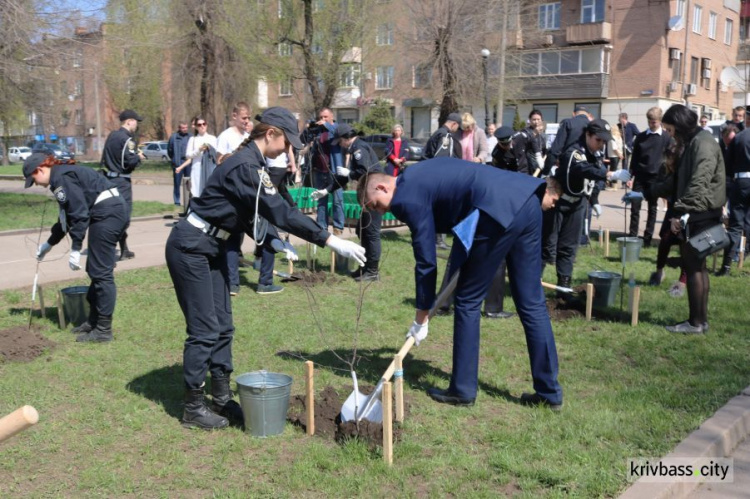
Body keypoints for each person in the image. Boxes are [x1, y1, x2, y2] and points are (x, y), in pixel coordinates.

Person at [165, 107, 366, 430]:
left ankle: (220, 398)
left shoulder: (252, 163)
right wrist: (329, 239)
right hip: (191, 248)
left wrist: (273, 241)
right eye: (286, 143)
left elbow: (256, 211)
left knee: (224, 326)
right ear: (270, 134)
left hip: (212, 246)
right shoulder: (244, 166)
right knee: (204, 329)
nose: (288, 151)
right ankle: (192, 407)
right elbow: (280, 212)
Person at [358, 158, 564, 409]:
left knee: (467, 300)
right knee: (532, 302)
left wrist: (420, 318)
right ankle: (549, 392)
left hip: (494, 209)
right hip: (526, 199)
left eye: (375, 206)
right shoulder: (416, 174)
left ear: (382, 188)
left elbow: (426, 261)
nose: (381, 212)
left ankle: (463, 389)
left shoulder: (405, 198)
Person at [25, 153, 128, 343]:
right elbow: (68, 216)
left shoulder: (60, 179)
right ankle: (94, 321)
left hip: (108, 214)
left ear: (39, 169)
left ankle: (103, 330)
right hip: (108, 211)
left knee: (102, 273)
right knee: (95, 270)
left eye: (34, 180)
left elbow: (79, 214)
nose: (37, 184)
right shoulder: (60, 175)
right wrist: (49, 243)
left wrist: (76, 248)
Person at [650, 104, 726, 334]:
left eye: (670, 129)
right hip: (699, 210)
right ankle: (700, 321)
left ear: (680, 125)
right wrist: (648, 192)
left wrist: (680, 213)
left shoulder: (702, 144)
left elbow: (698, 183)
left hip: (700, 212)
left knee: (693, 266)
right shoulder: (693, 142)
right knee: (698, 267)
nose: (669, 134)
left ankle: (695, 323)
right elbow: (679, 180)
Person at [543, 119, 631, 293]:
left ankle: (563, 287)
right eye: (598, 140)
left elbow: (593, 182)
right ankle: (533, 285)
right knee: (547, 246)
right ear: (588, 135)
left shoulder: (595, 154)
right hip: (558, 204)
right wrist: (610, 174)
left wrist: (595, 200)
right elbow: (584, 170)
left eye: (604, 141)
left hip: (577, 204)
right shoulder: (574, 152)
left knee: (569, 247)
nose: (601, 145)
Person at [314, 123, 384, 281]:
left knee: (371, 234)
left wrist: (351, 173)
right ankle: (364, 267)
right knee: (362, 230)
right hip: (369, 196)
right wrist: (326, 191)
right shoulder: (354, 149)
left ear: (346, 138)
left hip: (376, 196)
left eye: (339, 141)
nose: (339, 145)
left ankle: (372, 272)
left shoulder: (359, 149)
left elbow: (366, 172)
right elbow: (343, 178)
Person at [216, 102, 252, 296]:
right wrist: (238, 152)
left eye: (248, 118)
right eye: (244, 117)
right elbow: (219, 161)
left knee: (238, 238)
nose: (247, 121)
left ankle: (230, 273)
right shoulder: (226, 136)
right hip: (229, 191)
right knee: (230, 238)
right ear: (235, 116)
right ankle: (232, 282)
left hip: (244, 192)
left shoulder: (247, 136)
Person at [101, 109, 145, 261]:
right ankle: (109, 250)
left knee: (113, 214)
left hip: (108, 179)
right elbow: (130, 161)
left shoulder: (112, 136)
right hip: (122, 182)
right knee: (123, 217)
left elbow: (104, 158)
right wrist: (139, 157)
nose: (136, 125)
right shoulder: (128, 139)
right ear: (129, 121)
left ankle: (124, 249)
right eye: (136, 122)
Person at [626, 107, 672, 247]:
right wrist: (630, 175)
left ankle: (647, 238)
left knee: (652, 209)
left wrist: (666, 177)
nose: (652, 125)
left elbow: (670, 158)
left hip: (656, 178)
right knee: (635, 207)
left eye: (654, 122)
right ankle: (632, 236)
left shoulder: (666, 138)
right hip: (640, 176)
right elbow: (635, 158)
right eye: (650, 122)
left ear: (660, 121)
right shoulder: (641, 137)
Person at [301, 107, 345, 235]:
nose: (322, 120)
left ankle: (338, 227)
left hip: (334, 171)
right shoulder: (318, 131)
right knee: (321, 200)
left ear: (332, 116)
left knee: (337, 200)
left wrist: (326, 124)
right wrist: (308, 128)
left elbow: (338, 134)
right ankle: (322, 227)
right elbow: (303, 139)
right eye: (320, 117)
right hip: (320, 170)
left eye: (325, 117)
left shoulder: (336, 128)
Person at [423, 112, 462, 250]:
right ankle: (438, 240)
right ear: (454, 124)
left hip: (430, 174)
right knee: (439, 207)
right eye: (458, 127)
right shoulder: (445, 135)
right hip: (438, 178)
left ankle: (434, 238)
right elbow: (441, 159)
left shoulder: (438, 132)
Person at [719, 110, 750, 277]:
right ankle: (744, 256)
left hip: (742, 182)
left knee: (735, 225)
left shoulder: (739, 138)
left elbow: (728, 166)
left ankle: (726, 266)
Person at [175, 116, 217, 198]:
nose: (202, 126)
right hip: (197, 170)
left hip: (210, 169)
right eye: (199, 124)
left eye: (204, 124)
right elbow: (188, 155)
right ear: (196, 127)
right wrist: (199, 150)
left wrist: (210, 149)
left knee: (209, 193)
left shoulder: (213, 138)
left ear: (206, 125)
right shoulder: (193, 139)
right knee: (196, 193)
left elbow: (216, 155)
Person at [543, 105, 590, 173]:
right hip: (588, 167)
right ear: (589, 115)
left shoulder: (568, 123)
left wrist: (546, 170)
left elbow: (555, 150)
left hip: (569, 166)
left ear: (573, 114)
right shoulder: (593, 126)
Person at [512, 109, 545, 175]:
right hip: (526, 167)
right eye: (534, 119)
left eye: (538, 119)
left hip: (537, 167)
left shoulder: (541, 136)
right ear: (530, 120)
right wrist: (534, 133)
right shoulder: (525, 132)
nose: (536, 122)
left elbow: (543, 149)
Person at [167, 121, 190, 208]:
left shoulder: (190, 137)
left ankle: (189, 201)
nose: (185, 129)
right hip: (177, 163)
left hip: (188, 163)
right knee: (177, 183)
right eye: (183, 128)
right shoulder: (173, 137)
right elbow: (169, 150)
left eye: (186, 128)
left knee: (189, 183)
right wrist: (174, 159)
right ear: (179, 128)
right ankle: (177, 201)